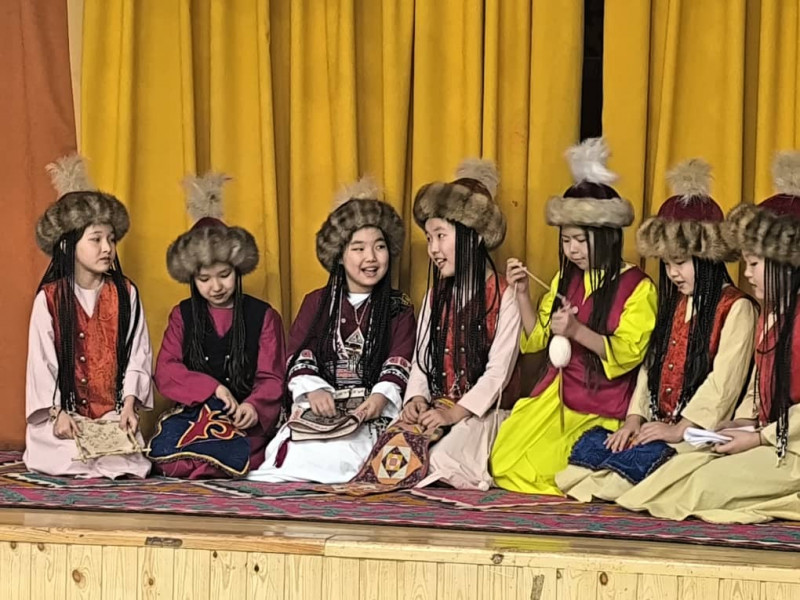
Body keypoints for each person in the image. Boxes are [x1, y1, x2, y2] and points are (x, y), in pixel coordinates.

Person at [556, 159, 757, 501]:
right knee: (582, 472)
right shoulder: (675, 303)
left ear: (707, 258)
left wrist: (680, 429)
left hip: (698, 432)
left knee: (626, 483)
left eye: (680, 262)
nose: (672, 273)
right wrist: (634, 419)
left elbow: (723, 385)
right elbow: (651, 368)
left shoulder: (737, 308)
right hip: (660, 424)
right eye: (666, 264)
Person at [616, 150, 800, 523]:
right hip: (771, 438)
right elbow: (757, 390)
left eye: (754, 264)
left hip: (791, 448)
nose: (746, 274)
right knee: (674, 477)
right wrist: (743, 423)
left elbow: (725, 384)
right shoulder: (774, 316)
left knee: (692, 486)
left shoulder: (743, 309)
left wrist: (758, 437)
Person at [490, 138, 658, 495]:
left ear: (607, 236)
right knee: (503, 460)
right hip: (558, 395)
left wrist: (578, 331)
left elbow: (630, 352)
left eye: (581, 240)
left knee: (547, 471)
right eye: (566, 241)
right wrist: (522, 295)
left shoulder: (638, 286)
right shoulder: (565, 279)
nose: (573, 250)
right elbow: (537, 339)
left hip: (602, 402)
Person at [248, 178, 415, 483]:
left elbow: (400, 358)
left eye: (379, 247)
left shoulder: (398, 306)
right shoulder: (318, 302)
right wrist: (313, 389)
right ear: (339, 254)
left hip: (371, 412)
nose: (371, 258)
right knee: (299, 456)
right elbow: (300, 352)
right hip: (322, 408)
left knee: (359, 459)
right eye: (358, 248)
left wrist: (380, 398)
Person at [148, 173, 285, 478]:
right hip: (197, 415)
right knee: (169, 458)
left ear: (238, 269)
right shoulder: (182, 314)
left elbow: (271, 377)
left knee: (235, 456)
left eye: (224, 275)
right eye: (204, 279)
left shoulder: (264, 316)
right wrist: (213, 389)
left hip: (243, 419)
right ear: (191, 278)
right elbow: (166, 370)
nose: (216, 287)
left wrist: (253, 407)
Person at [24, 154, 153, 478]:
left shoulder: (125, 294)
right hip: (65, 415)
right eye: (96, 239)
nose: (107, 248)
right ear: (67, 246)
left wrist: (128, 404)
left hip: (110, 414)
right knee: (65, 452)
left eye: (111, 239)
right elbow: (42, 364)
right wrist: (57, 414)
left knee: (127, 456)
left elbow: (138, 354)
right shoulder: (49, 299)